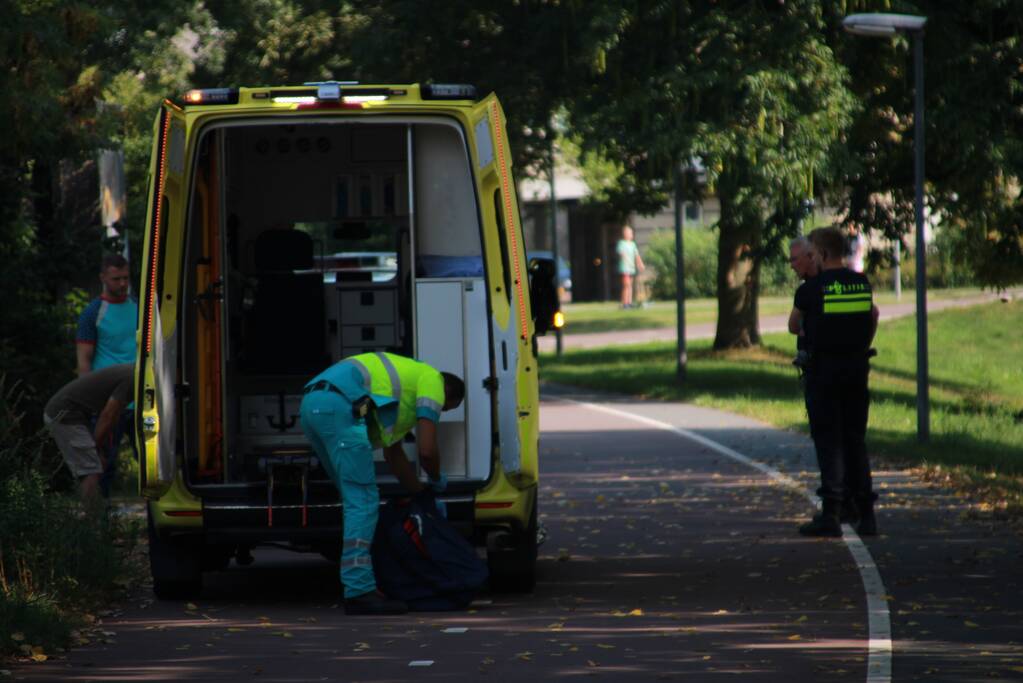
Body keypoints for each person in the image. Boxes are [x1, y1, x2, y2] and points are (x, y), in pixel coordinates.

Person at [299, 352, 465, 615]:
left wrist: (419, 493)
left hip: (313, 404)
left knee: (353, 501)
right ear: (448, 393)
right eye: (444, 409)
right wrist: (435, 479)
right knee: (363, 501)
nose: (438, 412)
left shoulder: (402, 392)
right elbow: (426, 451)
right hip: (342, 405)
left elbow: (394, 455)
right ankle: (359, 591)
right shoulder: (432, 379)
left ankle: (361, 581)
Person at [788, 227, 880, 538]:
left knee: (829, 442)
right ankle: (866, 514)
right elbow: (872, 316)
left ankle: (832, 513)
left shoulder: (811, 290)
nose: (810, 256)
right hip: (856, 370)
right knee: (855, 440)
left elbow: (793, 325)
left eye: (812, 252)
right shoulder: (860, 283)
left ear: (823, 254)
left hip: (824, 373)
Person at [76, 253, 138, 497]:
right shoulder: (93, 313)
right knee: (101, 465)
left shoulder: (138, 308)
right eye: (116, 279)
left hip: (138, 399)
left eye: (125, 278)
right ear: (103, 278)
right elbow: (84, 361)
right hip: (107, 401)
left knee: (151, 465)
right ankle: (97, 527)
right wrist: (87, 403)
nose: (122, 283)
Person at [43, 364, 134, 505]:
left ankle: (93, 516)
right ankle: (91, 523)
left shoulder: (134, 372)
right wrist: (96, 447)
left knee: (94, 466)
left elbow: (113, 417)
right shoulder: (133, 378)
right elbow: (108, 415)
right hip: (64, 414)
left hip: (77, 414)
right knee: (90, 470)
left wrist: (101, 448)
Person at [616, 225, 645, 308]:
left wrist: (640, 264)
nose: (630, 234)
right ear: (625, 234)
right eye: (629, 232)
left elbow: (637, 255)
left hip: (631, 267)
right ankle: (624, 303)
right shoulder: (621, 243)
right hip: (625, 267)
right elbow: (621, 254)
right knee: (626, 285)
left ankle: (629, 302)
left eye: (631, 233)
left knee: (630, 285)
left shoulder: (633, 244)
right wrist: (626, 260)